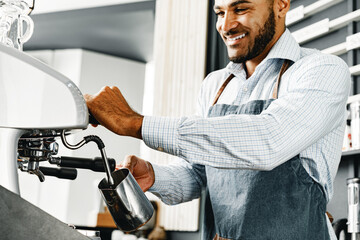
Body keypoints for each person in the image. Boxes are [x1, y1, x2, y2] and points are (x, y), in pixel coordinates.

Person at [84, 0, 351, 239]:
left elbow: (268, 140)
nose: (226, 25)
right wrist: (155, 177)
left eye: (241, 8)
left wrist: (137, 124)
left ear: (280, 5)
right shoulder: (215, 85)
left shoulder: (321, 70)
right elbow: (199, 173)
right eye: (220, 12)